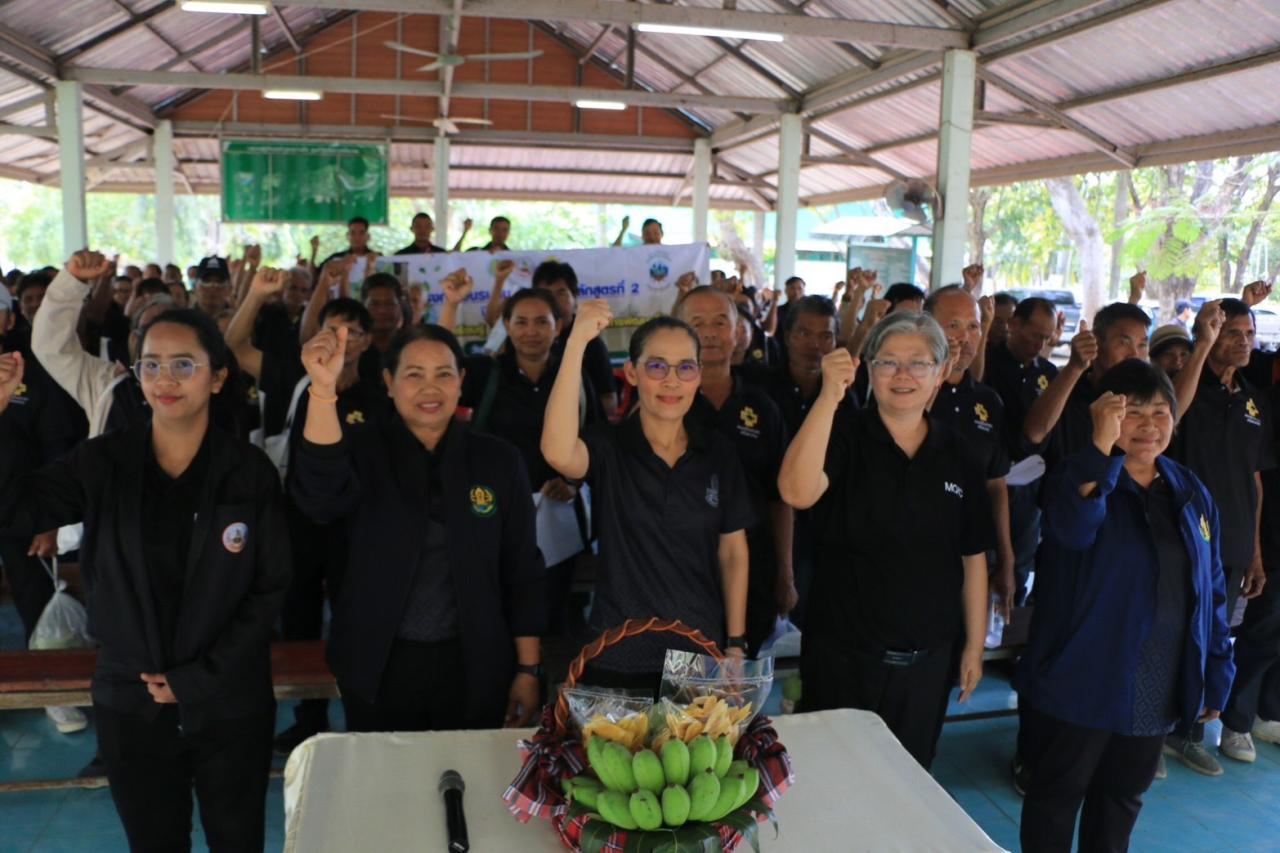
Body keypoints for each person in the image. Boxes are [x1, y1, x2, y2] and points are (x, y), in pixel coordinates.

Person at [0, 308, 291, 851]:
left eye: (184, 364)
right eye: (151, 364)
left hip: (229, 698)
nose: (166, 379)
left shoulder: (246, 471)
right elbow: (14, 509)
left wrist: (201, 677)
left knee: (237, 838)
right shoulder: (102, 462)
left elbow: (270, 584)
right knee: (154, 842)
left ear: (218, 375)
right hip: (130, 697)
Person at [1016, 360, 1233, 852]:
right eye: (1132, 412)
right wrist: (1098, 449)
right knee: (1056, 796)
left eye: (1160, 411)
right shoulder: (1082, 475)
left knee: (1122, 799)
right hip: (1083, 677)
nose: (1149, 425)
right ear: (1106, 417)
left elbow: (1212, 589)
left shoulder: (1189, 489)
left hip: (1156, 680)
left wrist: (1216, 669)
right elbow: (1071, 530)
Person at [290, 323, 547, 732]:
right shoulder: (360, 449)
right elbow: (318, 497)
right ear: (389, 382)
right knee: (388, 789)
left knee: (473, 785)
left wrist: (528, 670)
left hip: (477, 664)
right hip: (377, 664)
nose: (431, 388)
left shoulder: (497, 460)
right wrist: (323, 389)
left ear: (461, 381)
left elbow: (522, 568)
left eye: (444, 374)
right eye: (414, 375)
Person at [778, 312, 990, 770]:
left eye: (919, 363)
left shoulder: (960, 454)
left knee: (910, 782)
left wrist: (973, 645)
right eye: (889, 362)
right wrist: (829, 398)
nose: (903, 375)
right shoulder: (842, 434)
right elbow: (795, 491)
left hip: (927, 664)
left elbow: (972, 557)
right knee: (835, 780)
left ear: (939, 373)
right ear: (868, 369)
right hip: (843, 658)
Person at [542, 303, 752, 685]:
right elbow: (557, 450)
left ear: (698, 376)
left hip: (696, 653)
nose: (672, 380)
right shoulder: (609, 446)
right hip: (616, 651)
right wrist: (576, 344)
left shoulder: (718, 453)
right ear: (632, 373)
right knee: (618, 747)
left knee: (691, 747)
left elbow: (733, 551)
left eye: (685, 367)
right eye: (657, 366)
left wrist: (735, 643)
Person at [438, 274, 602, 635]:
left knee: (552, 617)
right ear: (506, 326)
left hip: (558, 518)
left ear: (558, 327)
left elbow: (596, 441)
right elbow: (441, 357)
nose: (531, 331)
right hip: (489, 512)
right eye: (521, 322)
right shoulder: (486, 374)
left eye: (542, 321)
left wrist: (574, 481)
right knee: (491, 612)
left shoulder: (574, 376)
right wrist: (451, 304)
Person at [1165, 298, 1275, 773]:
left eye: (1249, 334)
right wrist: (1203, 345)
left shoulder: (1253, 399)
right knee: (1168, 635)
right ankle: (1150, 737)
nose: (1244, 342)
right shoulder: (1187, 385)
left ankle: (1188, 733)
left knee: (1211, 639)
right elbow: (1170, 417)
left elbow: (1254, 477)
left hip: (1229, 546)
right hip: (1181, 536)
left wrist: (1254, 552)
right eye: (1233, 333)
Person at [677, 286, 794, 655]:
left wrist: (784, 570)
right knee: (684, 691)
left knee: (739, 681)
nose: (710, 333)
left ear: (738, 332)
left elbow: (780, 497)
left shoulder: (761, 406)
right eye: (697, 323)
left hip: (754, 565)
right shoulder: (662, 403)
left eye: (720, 322)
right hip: (683, 569)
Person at [925, 286, 1016, 616]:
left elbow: (996, 483)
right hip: (912, 546)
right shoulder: (903, 389)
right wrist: (936, 374)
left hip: (972, 552)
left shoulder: (987, 401)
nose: (964, 337)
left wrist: (1006, 558)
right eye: (953, 325)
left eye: (974, 326)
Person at [524, 260, 618, 417]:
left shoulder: (591, 341)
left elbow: (609, 398)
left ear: (575, 297)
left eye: (560, 293)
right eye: (545, 294)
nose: (552, 300)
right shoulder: (525, 339)